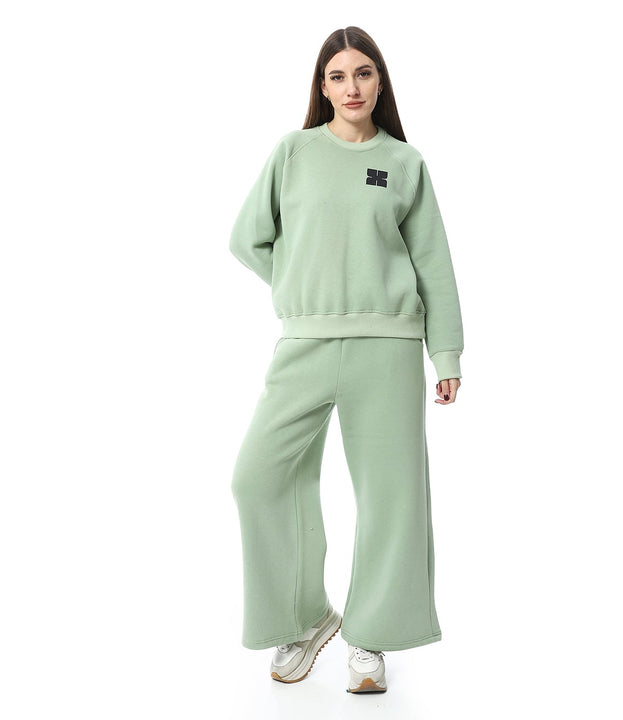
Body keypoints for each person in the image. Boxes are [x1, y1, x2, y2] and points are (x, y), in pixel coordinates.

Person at [228, 25, 464, 694]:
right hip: (303, 342)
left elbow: (434, 263)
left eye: (363, 73)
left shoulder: (404, 162)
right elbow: (248, 239)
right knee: (257, 477)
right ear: (322, 87)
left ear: (380, 82)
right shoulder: (294, 152)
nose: (351, 86)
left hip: (389, 347)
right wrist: (297, 287)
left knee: (391, 496)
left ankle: (372, 638)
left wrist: (446, 352)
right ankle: (304, 618)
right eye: (337, 76)